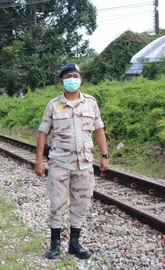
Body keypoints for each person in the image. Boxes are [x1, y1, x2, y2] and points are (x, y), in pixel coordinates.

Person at [35, 63, 109, 260]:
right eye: (68, 76)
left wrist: (104, 155)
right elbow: (43, 133)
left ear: (81, 79)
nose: (72, 79)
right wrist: (39, 161)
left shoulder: (91, 103)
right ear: (62, 81)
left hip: (83, 163)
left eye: (75, 76)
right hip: (59, 163)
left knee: (81, 203)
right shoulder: (53, 105)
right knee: (57, 203)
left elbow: (99, 129)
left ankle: (74, 244)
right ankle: (55, 245)